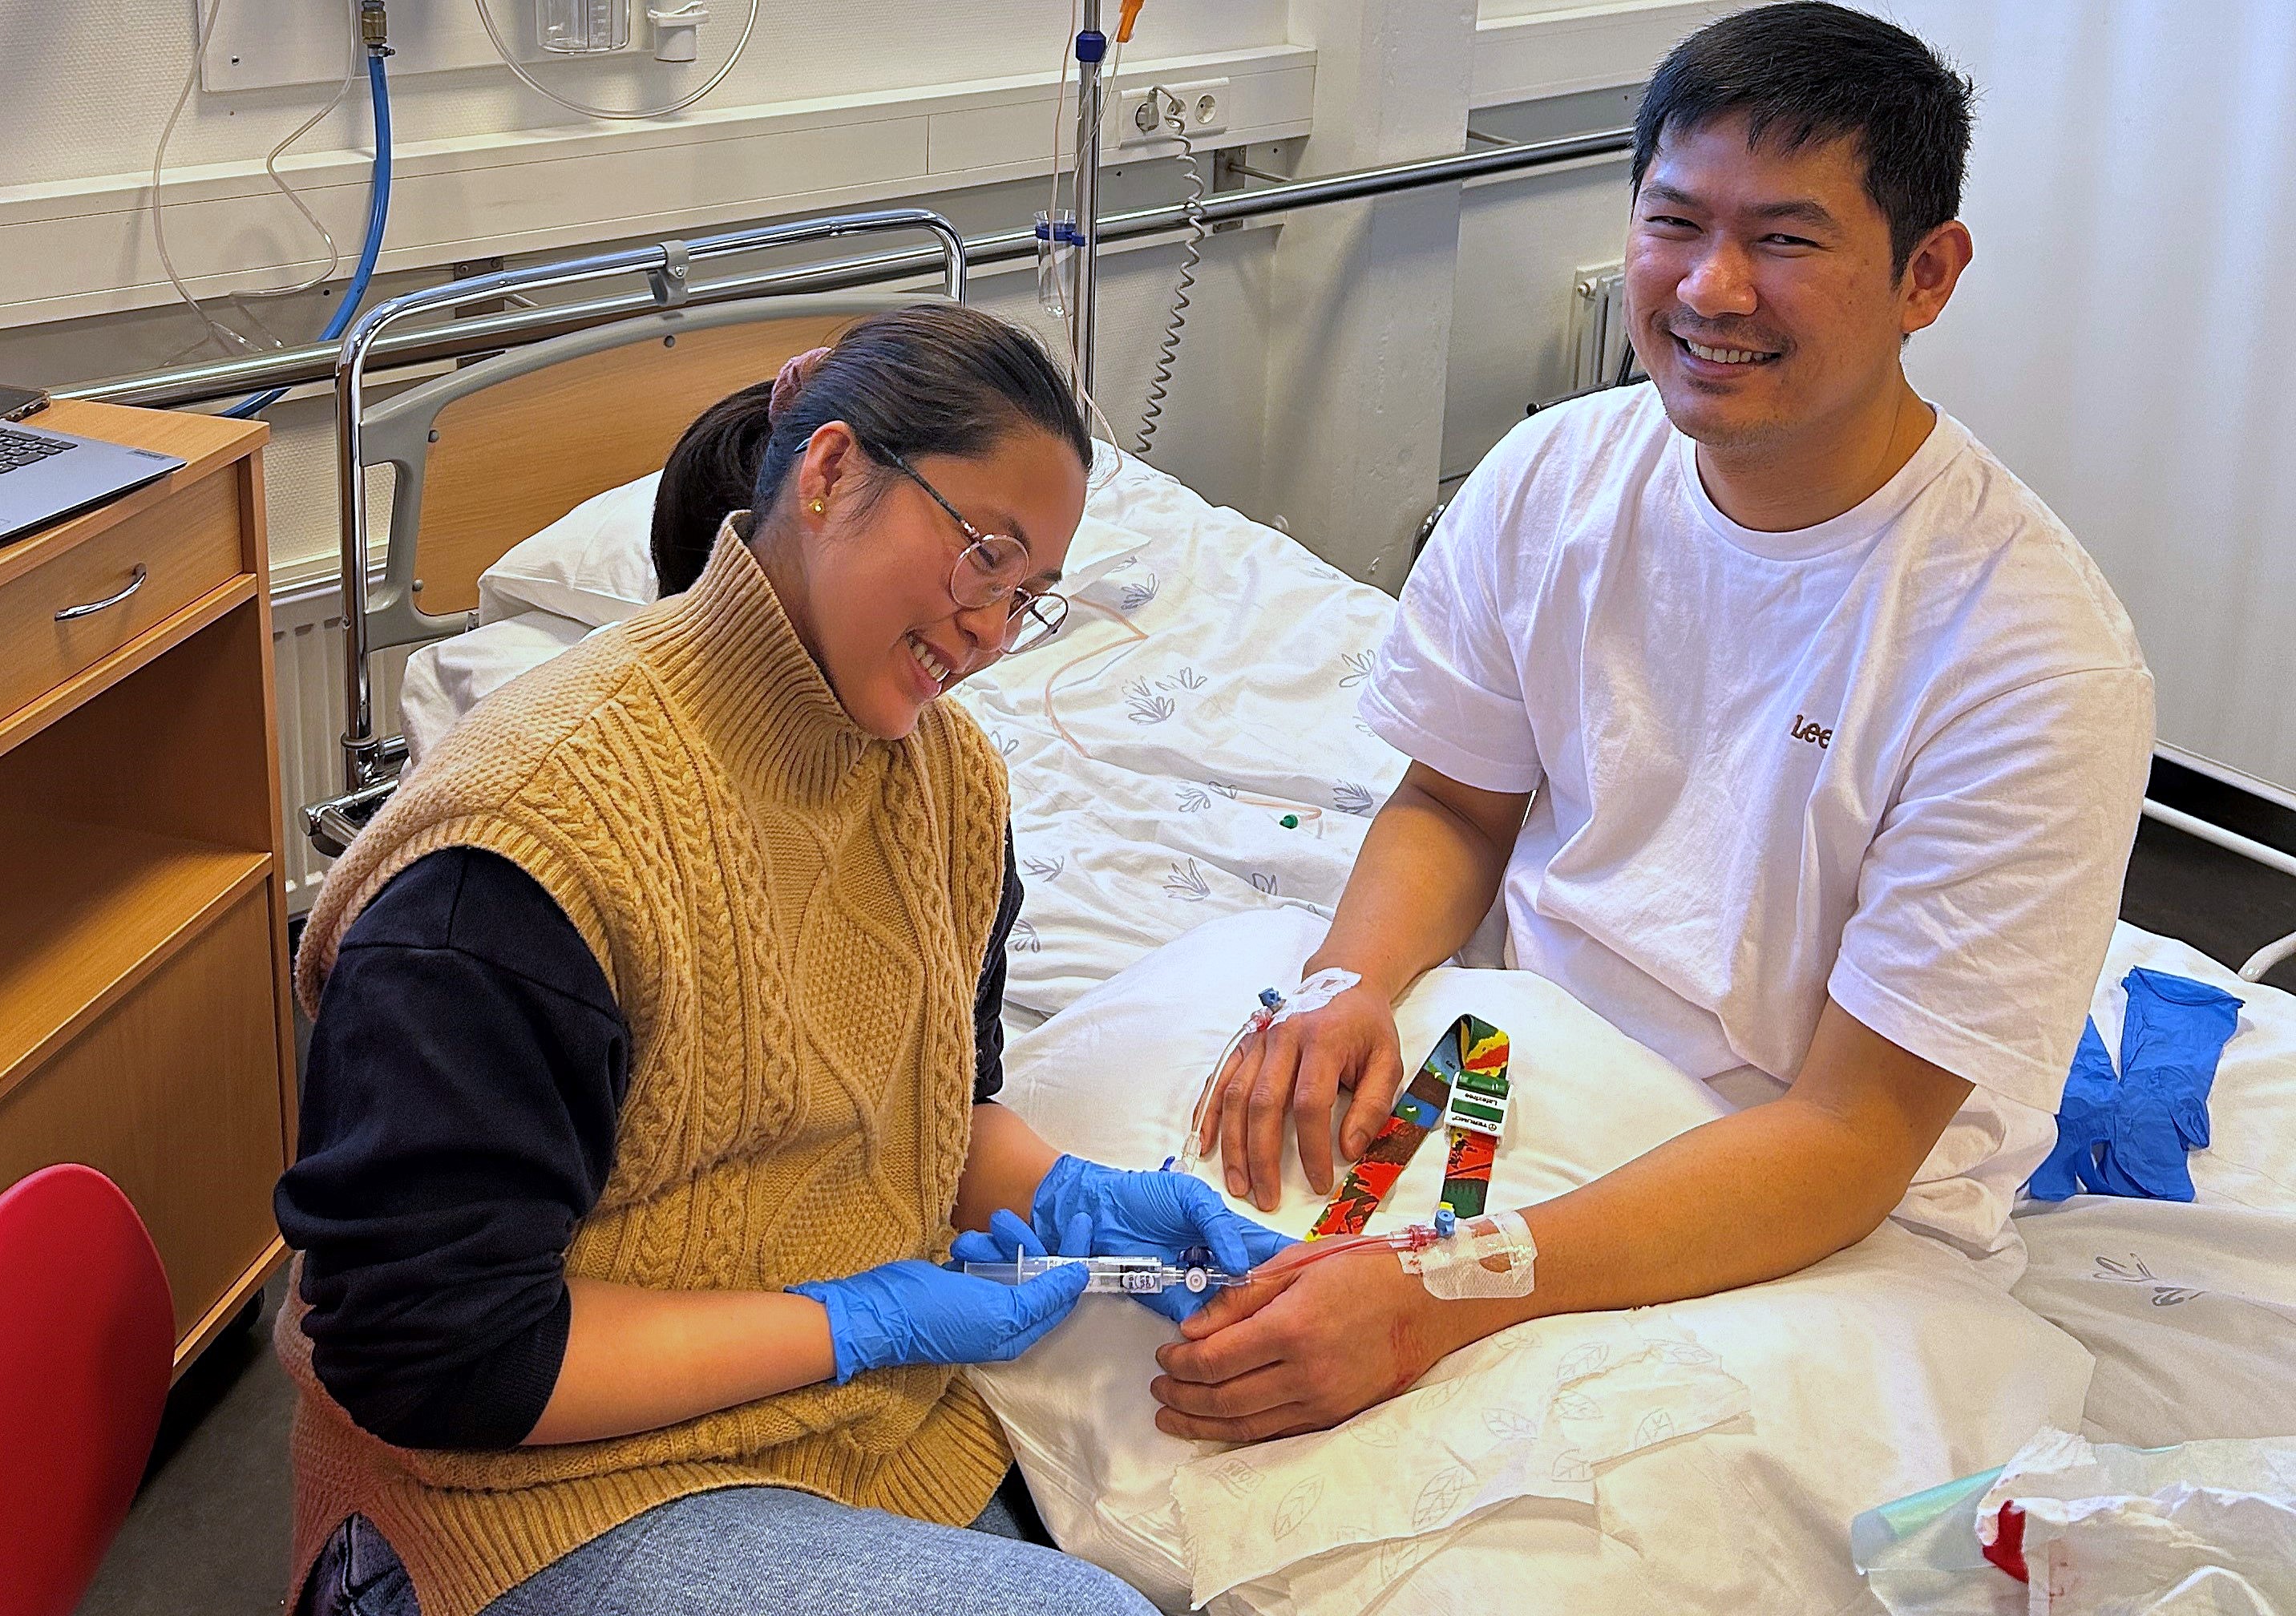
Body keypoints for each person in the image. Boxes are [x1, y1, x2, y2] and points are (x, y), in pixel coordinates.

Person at [1152, 1, 2153, 1443]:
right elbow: (1454, 806)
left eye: (1787, 241)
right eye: (1674, 223)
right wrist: (1345, 981)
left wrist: (1441, 1294)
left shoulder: (2030, 661)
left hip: (1798, 1199)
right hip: (1515, 1056)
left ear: (1927, 275)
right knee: (1135, 1254)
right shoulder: (1554, 476)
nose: (1711, 289)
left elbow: (1853, 1133)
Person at [276, 305, 1284, 1616]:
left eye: (1027, 599)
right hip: (510, 1491)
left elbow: (937, 1114)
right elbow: (433, 1354)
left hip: (823, 1429)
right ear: (830, 471)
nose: (989, 629)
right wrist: (864, 1318)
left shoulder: (951, 792)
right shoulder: (524, 854)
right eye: (984, 557)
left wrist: (1086, 1198)